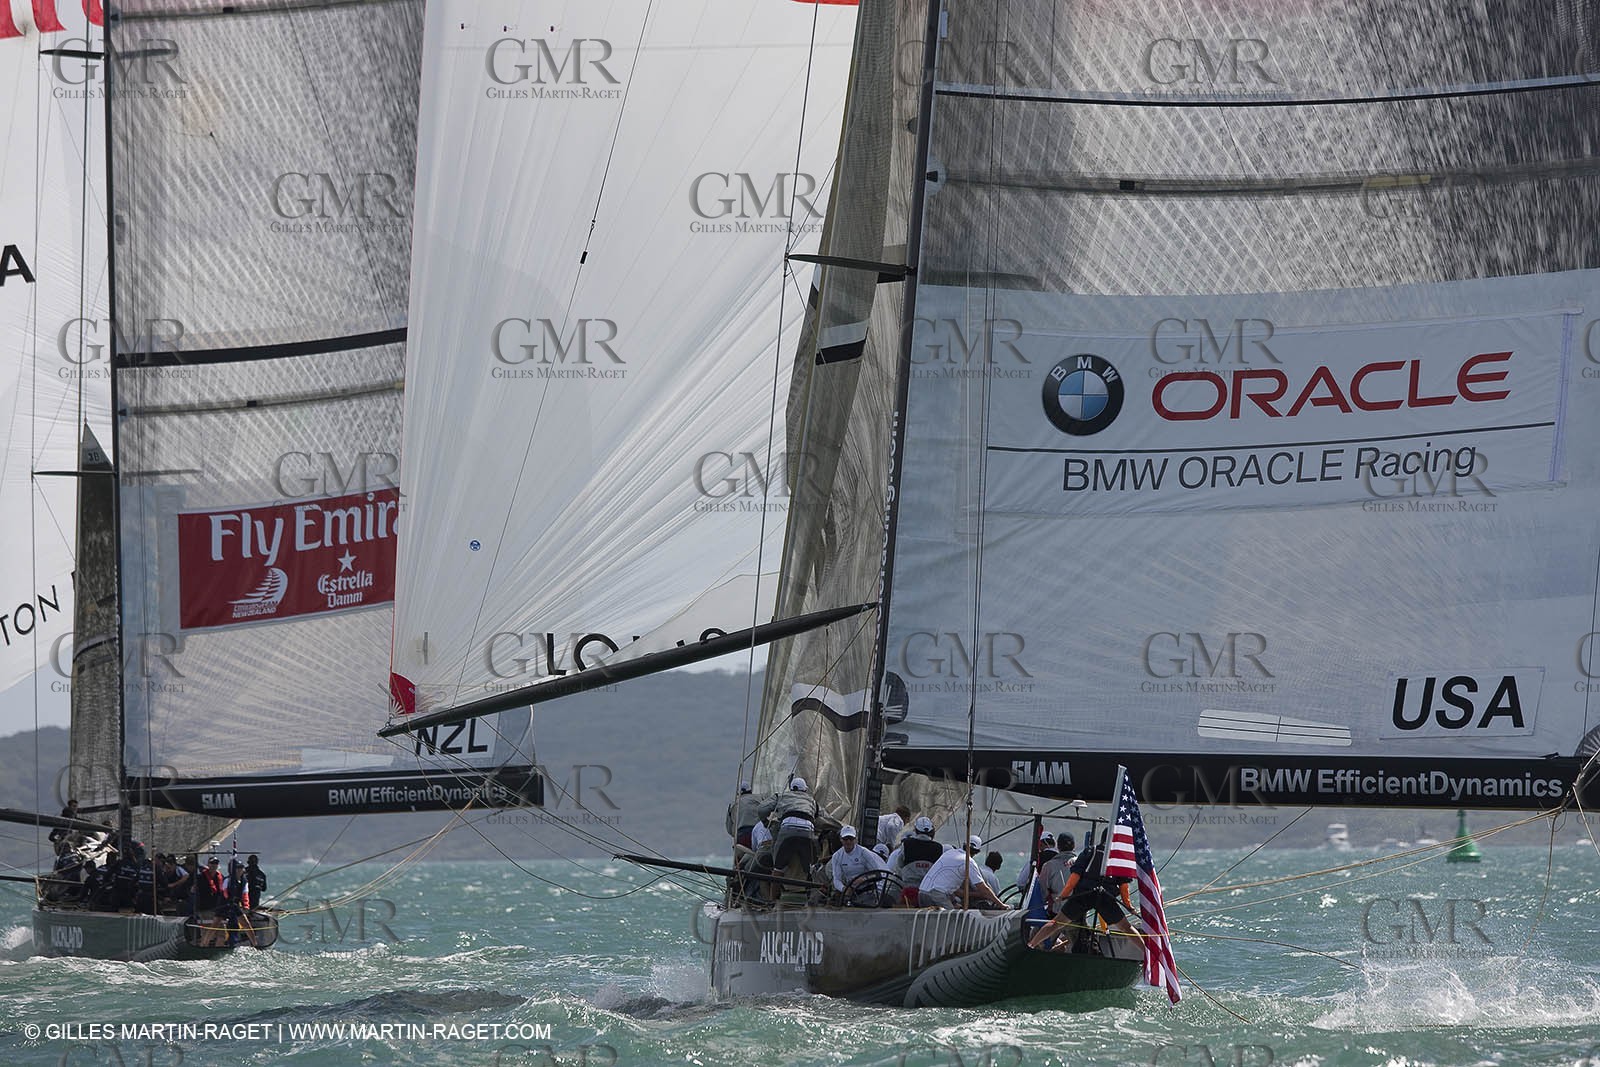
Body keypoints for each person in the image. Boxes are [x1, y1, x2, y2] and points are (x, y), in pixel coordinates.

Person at [1028, 841, 1134, 950]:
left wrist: (1061, 896)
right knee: (1126, 927)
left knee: (1053, 925)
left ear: (1058, 847)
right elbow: (1123, 886)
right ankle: (1146, 951)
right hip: (1082, 912)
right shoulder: (1088, 858)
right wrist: (1128, 906)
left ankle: (1031, 946)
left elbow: (1044, 892)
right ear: (1073, 847)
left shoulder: (1050, 865)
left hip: (1069, 906)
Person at [919, 836, 1009, 910]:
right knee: (953, 920)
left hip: (922, 892)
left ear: (964, 845)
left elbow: (947, 885)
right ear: (977, 852)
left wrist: (954, 902)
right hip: (936, 896)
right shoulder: (968, 861)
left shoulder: (949, 853)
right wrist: (1001, 905)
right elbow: (983, 889)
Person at [758, 776, 818, 884]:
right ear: (805, 789)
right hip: (807, 830)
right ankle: (811, 889)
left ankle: (774, 892)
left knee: (777, 866)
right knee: (811, 867)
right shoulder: (812, 801)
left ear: (791, 788)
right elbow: (823, 816)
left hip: (787, 828)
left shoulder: (781, 796)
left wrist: (765, 822)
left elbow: (761, 809)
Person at [887, 815, 943, 906]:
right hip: (928, 892)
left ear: (916, 830)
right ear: (931, 831)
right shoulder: (938, 848)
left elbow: (899, 864)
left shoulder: (906, 844)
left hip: (909, 891)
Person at [828, 825, 886, 897]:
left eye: (851, 839)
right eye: (845, 839)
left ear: (855, 839)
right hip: (852, 892)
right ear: (841, 839)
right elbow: (836, 879)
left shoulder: (864, 852)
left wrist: (864, 879)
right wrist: (844, 889)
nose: (848, 841)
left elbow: (877, 874)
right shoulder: (837, 856)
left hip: (867, 891)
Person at [726, 780, 763, 853]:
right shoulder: (760, 800)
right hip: (759, 833)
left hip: (741, 835)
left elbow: (729, 829)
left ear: (738, 792)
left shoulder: (733, 805)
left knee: (741, 856)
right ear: (750, 790)